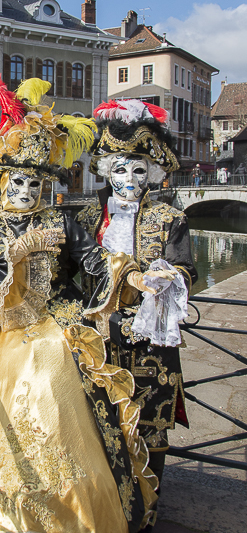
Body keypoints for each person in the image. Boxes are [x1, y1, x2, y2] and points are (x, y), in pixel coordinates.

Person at [0, 79, 168, 533]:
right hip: (6, 328)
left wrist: (126, 272)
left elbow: (92, 261)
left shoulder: (60, 222)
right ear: (3, 180)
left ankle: (74, 517)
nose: (27, 189)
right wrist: (14, 256)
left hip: (59, 325)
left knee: (58, 377)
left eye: (35, 182)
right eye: (19, 180)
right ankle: (3, 513)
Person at [76, 99, 197, 504]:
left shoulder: (170, 219)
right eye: (121, 169)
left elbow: (186, 270)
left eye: (139, 169)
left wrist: (166, 280)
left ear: (153, 173)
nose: (129, 178)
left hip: (149, 342)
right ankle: (106, 502)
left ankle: (146, 504)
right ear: (108, 171)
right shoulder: (87, 218)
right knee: (98, 419)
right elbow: (68, 273)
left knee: (149, 422)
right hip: (96, 338)